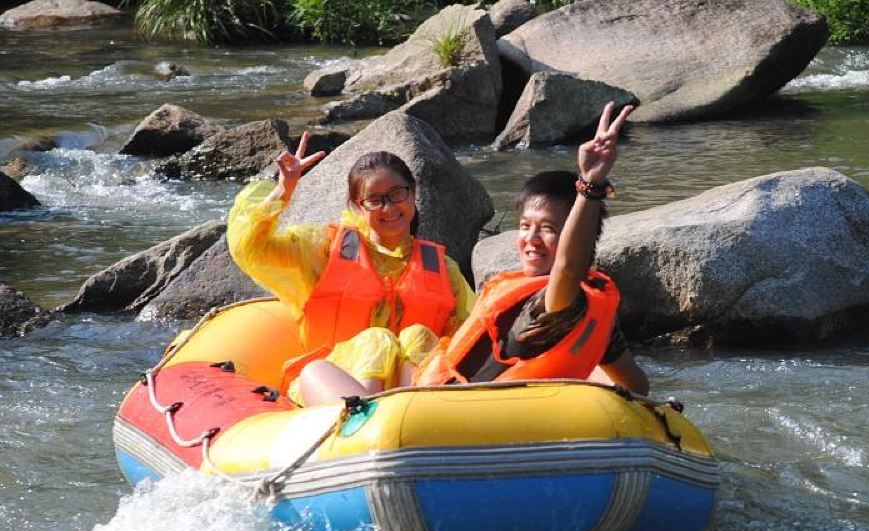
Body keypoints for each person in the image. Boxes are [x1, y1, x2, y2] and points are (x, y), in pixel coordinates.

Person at [412, 101, 648, 394]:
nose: (531, 238)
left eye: (548, 229)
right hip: (440, 405)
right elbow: (639, 386)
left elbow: (569, 268)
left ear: (578, 235)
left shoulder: (557, 301)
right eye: (525, 226)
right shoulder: (550, 302)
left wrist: (591, 184)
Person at [226, 132, 476, 403]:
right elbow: (250, 247)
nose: (388, 208)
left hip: (412, 394)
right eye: (374, 200)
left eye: (396, 194)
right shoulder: (324, 249)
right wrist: (284, 189)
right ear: (358, 206)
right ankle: (363, 421)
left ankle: (412, 415)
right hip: (332, 382)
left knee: (418, 336)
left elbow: (469, 333)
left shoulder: (442, 268)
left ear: (413, 192)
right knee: (377, 340)